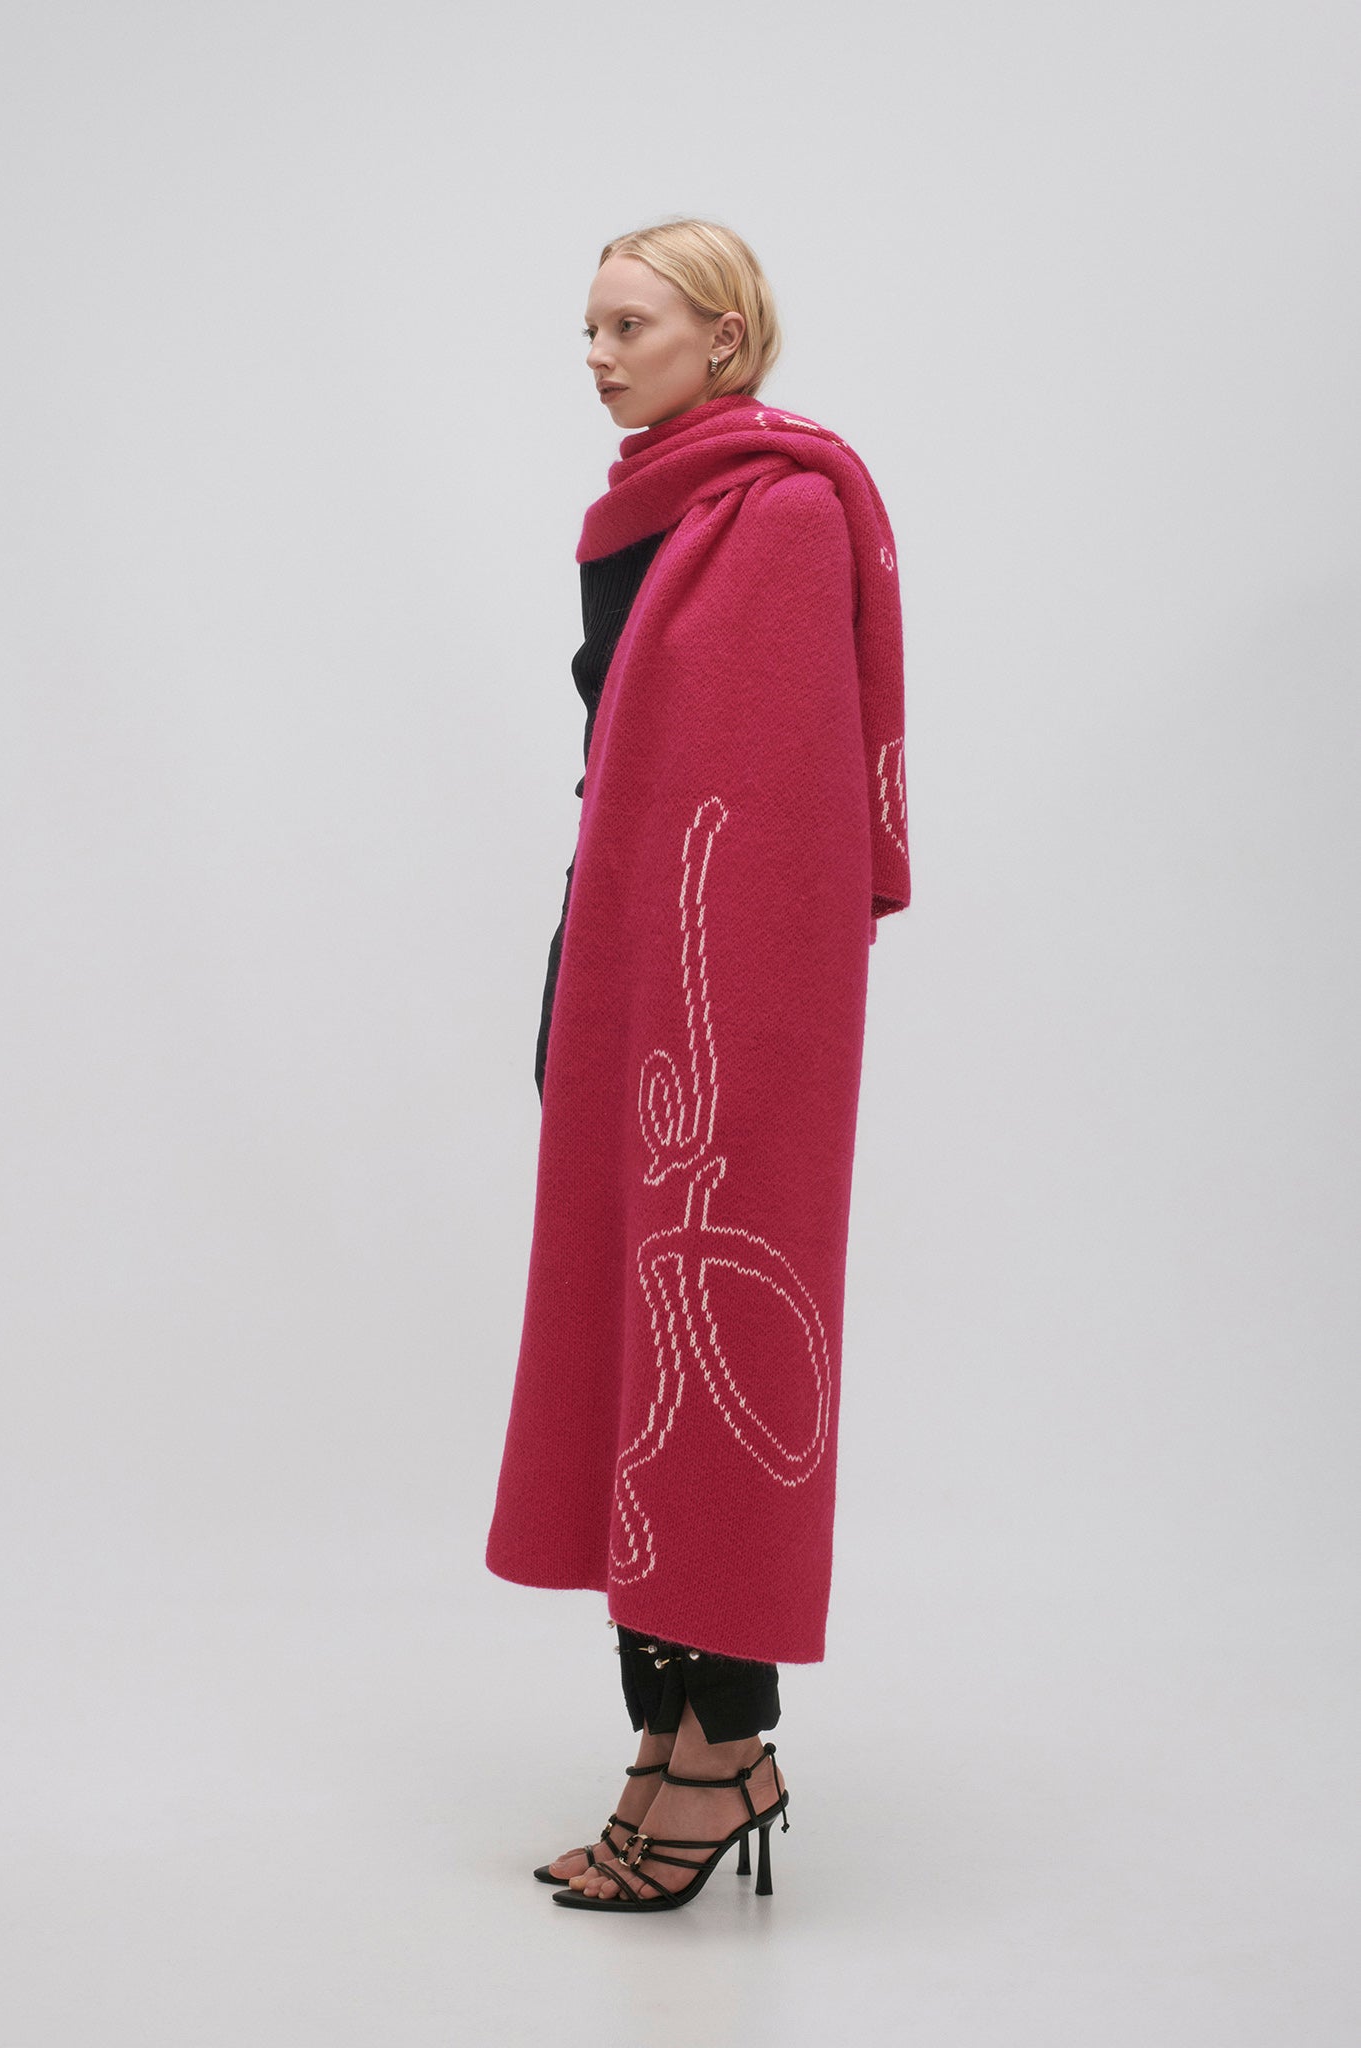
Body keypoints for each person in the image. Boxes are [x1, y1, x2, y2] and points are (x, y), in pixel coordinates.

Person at [485, 218, 911, 1913]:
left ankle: (727, 1744)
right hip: (613, 960)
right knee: (623, 1336)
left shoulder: (780, 509)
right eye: (588, 327)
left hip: (722, 993)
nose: (595, 355)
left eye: (628, 325)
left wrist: (698, 1001)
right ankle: (671, 1740)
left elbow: (772, 800)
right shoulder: (646, 506)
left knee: (701, 1337)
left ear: (723, 337)